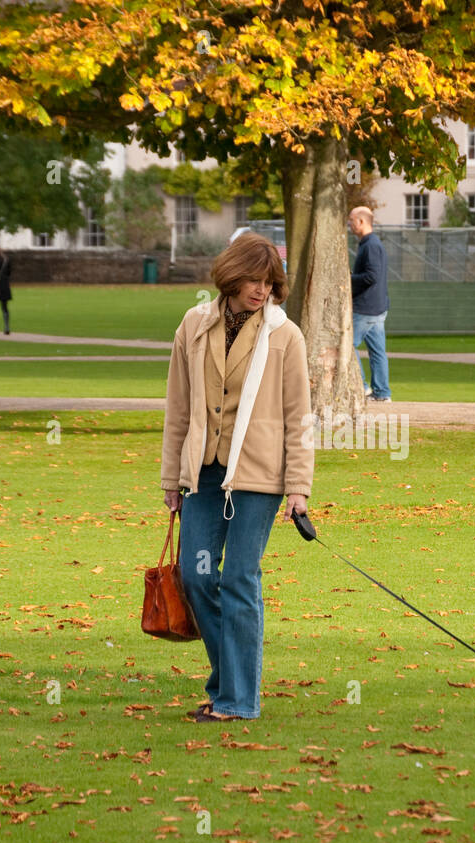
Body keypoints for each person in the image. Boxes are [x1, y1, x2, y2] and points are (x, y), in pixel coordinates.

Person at [160, 232, 314, 723]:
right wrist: (170, 477)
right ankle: (230, 682)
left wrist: (299, 488)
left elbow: (299, 417)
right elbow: (178, 408)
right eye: (253, 278)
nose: (261, 290)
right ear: (231, 275)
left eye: (270, 282)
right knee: (197, 575)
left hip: (260, 477)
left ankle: (237, 701)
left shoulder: (285, 336)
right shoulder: (194, 324)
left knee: (239, 578)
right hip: (203, 473)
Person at [347, 206, 391, 400]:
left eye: (351, 220)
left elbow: (371, 276)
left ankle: (362, 387)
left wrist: (349, 278)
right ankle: (382, 393)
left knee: (348, 346)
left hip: (366, 308)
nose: (349, 224)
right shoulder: (371, 243)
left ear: (362, 222)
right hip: (377, 307)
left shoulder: (370, 245)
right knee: (378, 352)